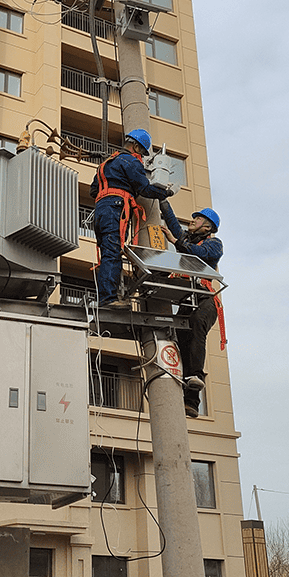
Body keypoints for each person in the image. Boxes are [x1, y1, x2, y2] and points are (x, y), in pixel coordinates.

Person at [89, 129, 172, 307]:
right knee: (113, 252)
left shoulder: (106, 163)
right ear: (135, 146)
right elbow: (145, 189)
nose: (141, 156)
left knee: (106, 253)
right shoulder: (131, 161)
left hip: (101, 210)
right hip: (116, 209)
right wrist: (165, 192)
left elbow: (93, 190)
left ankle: (104, 296)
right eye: (141, 151)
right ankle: (108, 299)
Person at [160, 203, 223, 418]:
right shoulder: (186, 239)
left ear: (207, 227)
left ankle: (195, 376)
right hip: (188, 298)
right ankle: (190, 401)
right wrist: (163, 200)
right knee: (180, 337)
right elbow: (173, 224)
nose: (192, 221)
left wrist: (177, 242)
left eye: (197, 219)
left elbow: (198, 254)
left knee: (196, 325)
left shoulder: (214, 244)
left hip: (205, 300)